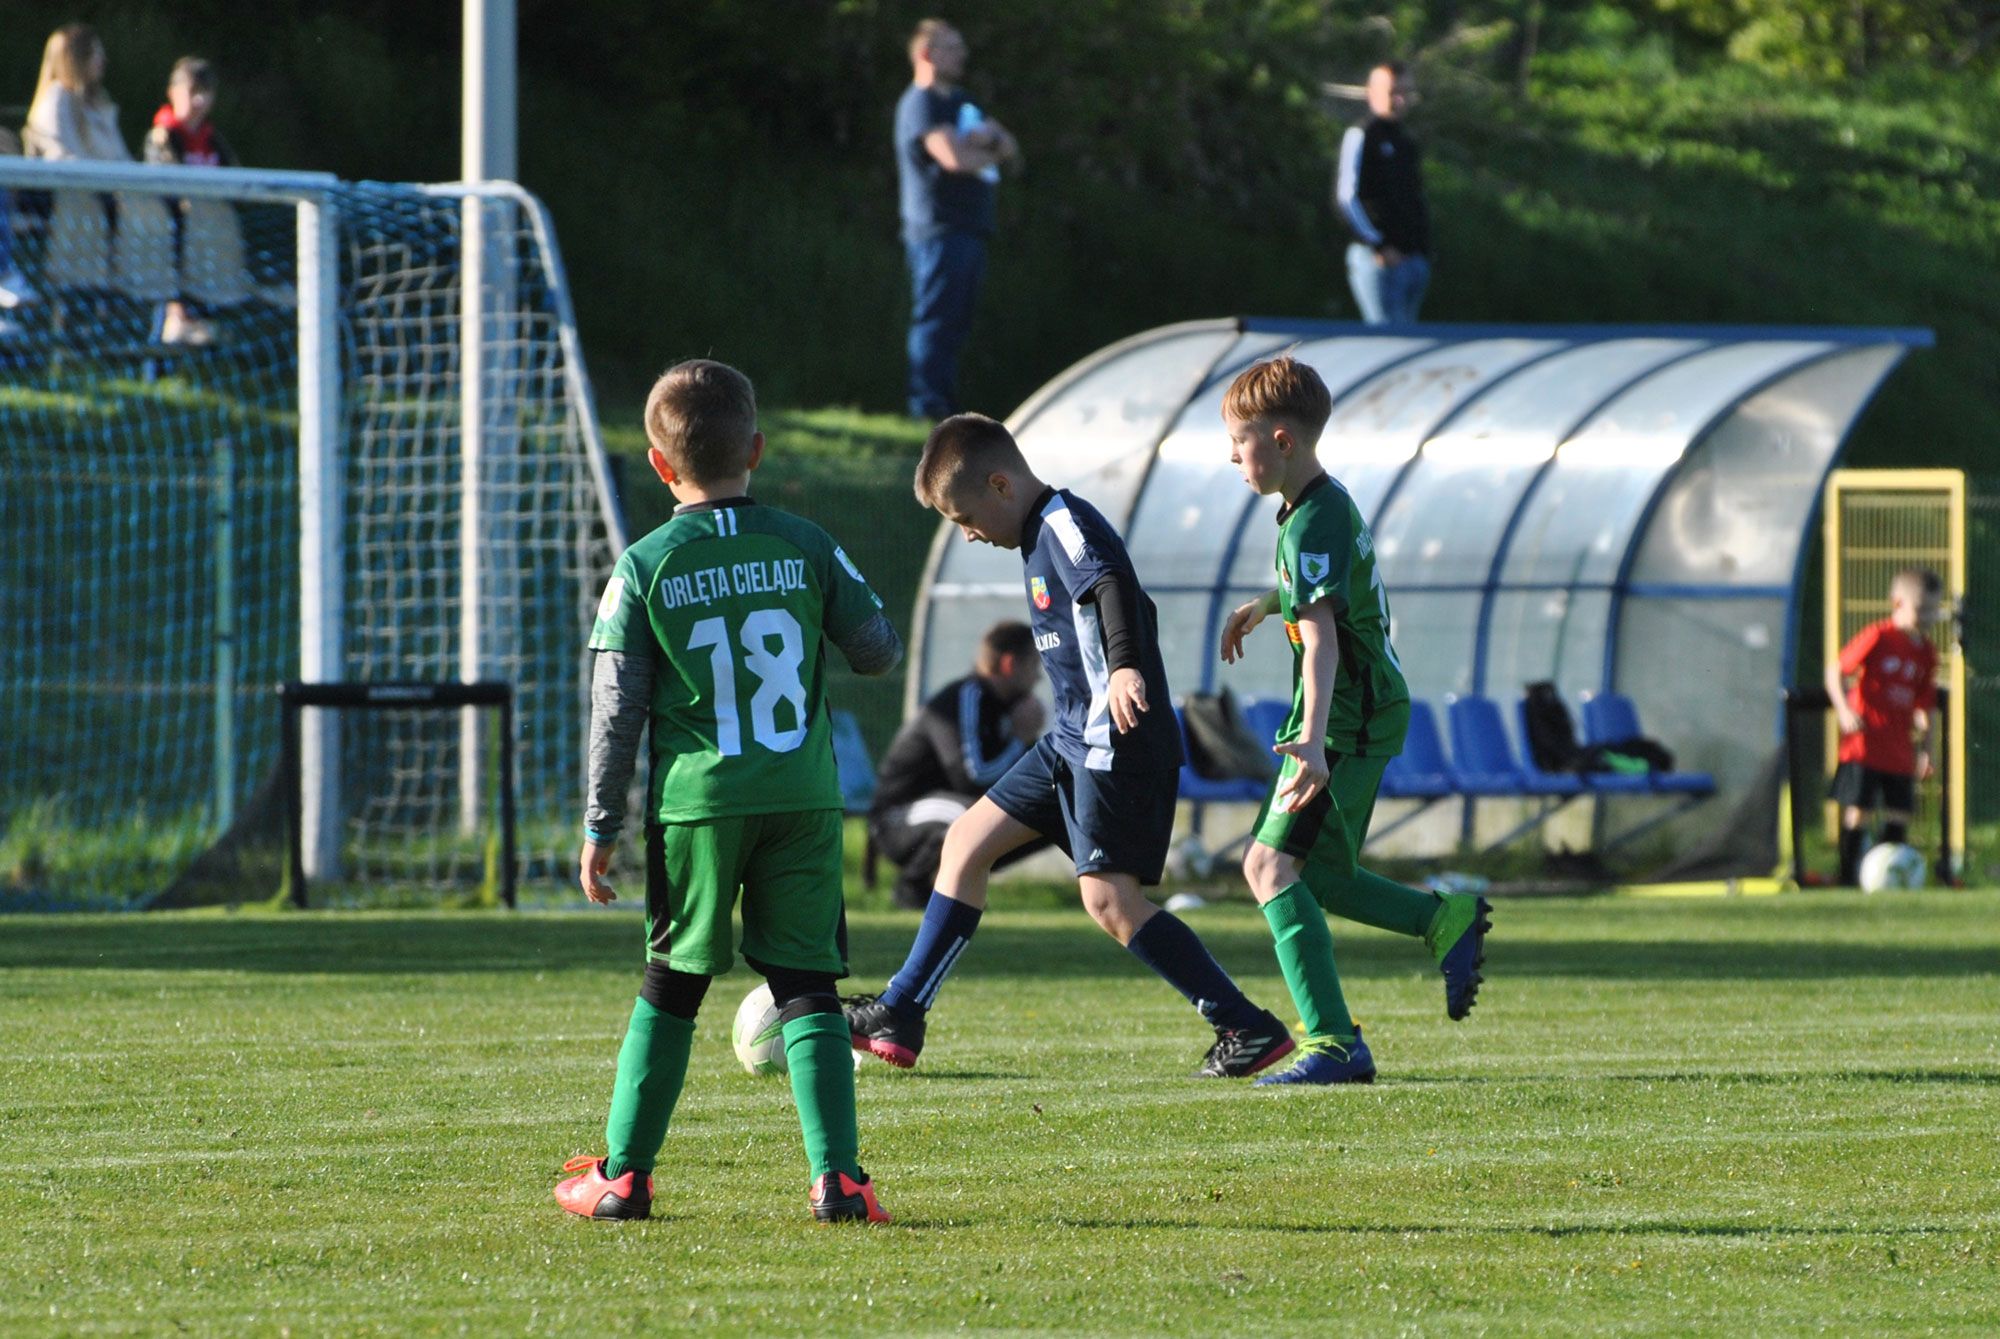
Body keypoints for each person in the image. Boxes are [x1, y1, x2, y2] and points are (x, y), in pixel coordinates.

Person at [556, 359, 906, 1225]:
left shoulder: (645, 566)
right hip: (801, 795)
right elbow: (877, 649)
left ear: (658, 463)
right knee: (808, 986)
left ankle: (624, 1177)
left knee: (672, 982)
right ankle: (840, 1181)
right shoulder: (805, 542)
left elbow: (616, 708)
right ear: (756, 446)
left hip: (701, 807)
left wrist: (601, 821)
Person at [845, 414, 1298, 1080]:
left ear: (1001, 483)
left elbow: (1111, 581)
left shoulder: (1061, 520)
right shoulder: (1033, 533)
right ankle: (900, 1011)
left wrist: (1121, 666)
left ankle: (1245, 1024)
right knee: (965, 841)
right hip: (1070, 738)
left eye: (965, 516)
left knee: (1110, 902)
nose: (966, 532)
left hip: (1115, 739)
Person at [1218, 355, 1489, 1085]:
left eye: (1239, 442)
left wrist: (1310, 739)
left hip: (1347, 719)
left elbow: (1326, 636)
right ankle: (1443, 920)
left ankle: (1335, 1043)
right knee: (1324, 877)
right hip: (1356, 712)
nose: (1232, 457)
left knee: (1269, 865)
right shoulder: (1319, 505)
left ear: (1280, 438)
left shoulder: (1310, 523)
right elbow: (1326, 595)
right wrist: (1264, 603)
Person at [868, 619, 1049, 909]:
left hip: (941, 809)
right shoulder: (967, 697)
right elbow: (972, 778)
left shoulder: (1006, 708)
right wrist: (1019, 739)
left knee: (1045, 818)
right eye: (1033, 666)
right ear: (1009, 664)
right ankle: (912, 887)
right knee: (969, 818)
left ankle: (962, 884)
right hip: (897, 820)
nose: (1038, 678)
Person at [894, 19, 1018, 420]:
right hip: (937, 229)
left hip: (969, 228)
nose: (961, 54)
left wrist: (991, 145)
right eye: (952, 47)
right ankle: (926, 405)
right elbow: (955, 159)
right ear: (927, 54)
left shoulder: (964, 103)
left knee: (956, 321)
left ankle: (943, 404)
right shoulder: (922, 102)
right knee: (935, 319)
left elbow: (1011, 149)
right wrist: (982, 149)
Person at [23, 23, 173, 304]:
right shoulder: (56, 100)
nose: (103, 61)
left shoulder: (98, 104)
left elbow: (120, 159)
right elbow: (61, 157)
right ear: (76, 58)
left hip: (111, 196)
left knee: (157, 209)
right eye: (95, 54)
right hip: (77, 201)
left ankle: (152, 299)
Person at [1824, 567, 1940, 886]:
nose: (1928, 616)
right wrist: (1844, 710)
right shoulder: (1879, 636)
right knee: (1858, 810)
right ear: (1897, 602)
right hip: (1864, 745)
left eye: (1933, 609)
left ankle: (1891, 879)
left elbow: (1924, 706)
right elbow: (1835, 671)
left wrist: (1927, 749)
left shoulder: (1927, 653)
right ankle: (1847, 879)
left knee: (1899, 813)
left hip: (1899, 750)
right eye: (1922, 609)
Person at [144, 57, 250, 345]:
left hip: (210, 237)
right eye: (193, 92)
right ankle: (175, 321)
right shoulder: (163, 136)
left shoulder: (212, 139)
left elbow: (236, 182)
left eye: (206, 93)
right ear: (173, 92)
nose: (200, 101)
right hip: (173, 235)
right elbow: (165, 190)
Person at [1334, 61, 1431, 325]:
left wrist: (1421, 249)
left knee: (1410, 343)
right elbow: (1347, 198)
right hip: (1378, 260)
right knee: (1387, 336)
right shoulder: (1362, 135)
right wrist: (1377, 244)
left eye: (1406, 92)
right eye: (1392, 91)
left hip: (1411, 260)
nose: (1400, 99)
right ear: (1372, 92)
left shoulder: (1405, 142)